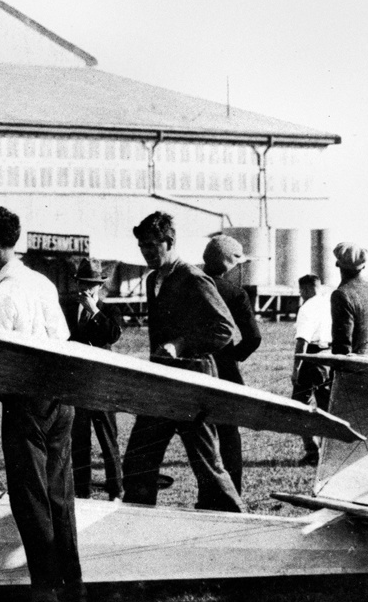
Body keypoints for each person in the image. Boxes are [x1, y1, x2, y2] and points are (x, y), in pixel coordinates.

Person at [0, 206, 80, 602]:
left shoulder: (0, 293)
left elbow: (0, 354)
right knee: (60, 494)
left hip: (25, 398)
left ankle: (44, 591)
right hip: (59, 393)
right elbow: (63, 335)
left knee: (31, 496)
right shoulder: (41, 282)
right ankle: (74, 587)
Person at [119, 212, 245, 513]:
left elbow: (224, 329)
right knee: (138, 459)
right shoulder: (152, 280)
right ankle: (135, 520)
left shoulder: (192, 278)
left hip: (192, 383)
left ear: (170, 242)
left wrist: (180, 344)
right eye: (142, 246)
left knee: (207, 463)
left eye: (152, 244)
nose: (147, 251)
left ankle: (236, 520)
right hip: (161, 385)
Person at [59, 257, 123, 500]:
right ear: (76, 283)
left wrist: (93, 311)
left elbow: (112, 334)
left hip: (102, 384)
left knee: (108, 440)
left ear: (100, 286)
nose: (86, 288)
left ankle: (116, 489)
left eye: (92, 284)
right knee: (79, 439)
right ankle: (81, 490)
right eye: (82, 283)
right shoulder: (66, 308)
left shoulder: (109, 310)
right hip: (77, 384)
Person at [202, 235, 262, 492]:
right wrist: (233, 356)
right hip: (224, 369)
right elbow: (254, 338)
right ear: (229, 263)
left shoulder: (187, 285)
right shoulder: (234, 293)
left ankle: (206, 492)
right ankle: (233, 491)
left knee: (200, 438)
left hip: (190, 365)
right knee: (228, 435)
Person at [291, 274, 332, 466]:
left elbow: (303, 341)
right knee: (327, 406)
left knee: (298, 406)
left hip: (312, 356)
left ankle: (312, 451)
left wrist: (296, 368)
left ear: (305, 289)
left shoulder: (307, 307)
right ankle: (330, 452)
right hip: (329, 355)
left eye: (300, 291)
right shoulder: (328, 303)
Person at [329, 242, 368, 357]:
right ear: (363, 266)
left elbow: (342, 344)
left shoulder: (341, 294)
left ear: (337, 264)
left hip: (352, 368)